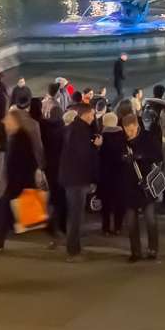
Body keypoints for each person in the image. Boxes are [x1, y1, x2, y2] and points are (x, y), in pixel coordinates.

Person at [0, 107, 45, 252]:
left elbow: (26, 160)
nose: (5, 122)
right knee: (10, 211)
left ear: (15, 121)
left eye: (8, 119)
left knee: (14, 211)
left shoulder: (20, 137)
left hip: (19, 182)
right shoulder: (15, 136)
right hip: (18, 181)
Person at [59, 98, 101, 259]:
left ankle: (73, 247)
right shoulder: (81, 132)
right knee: (76, 216)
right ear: (84, 114)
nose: (93, 117)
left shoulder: (72, 128)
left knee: (74, 214)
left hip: (70, 178)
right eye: (92, 114)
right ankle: (73, 251)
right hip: (78, 179)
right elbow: (85, 158)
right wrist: (96, 147)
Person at [118, 108, 161, 260]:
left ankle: (152, 249)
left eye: (132, 129)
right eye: (127, 130)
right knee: (131, 221)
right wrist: (122, 158)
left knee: (150, 219)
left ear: (137, 125)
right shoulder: (120, 140)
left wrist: (141, 156)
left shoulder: (148, 137)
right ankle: (135, 251)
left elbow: (158, 155)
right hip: (128, 184)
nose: (130, 133)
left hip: (145, 183)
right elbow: (114, 160)